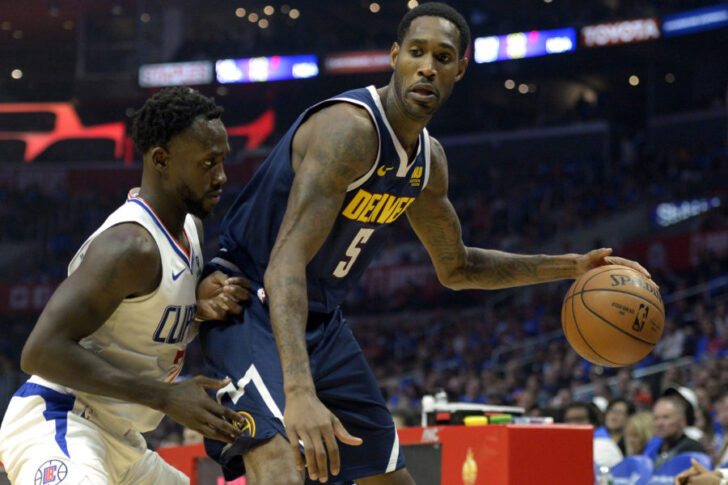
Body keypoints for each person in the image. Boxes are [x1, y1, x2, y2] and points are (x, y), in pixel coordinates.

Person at [199, 3, 651, 484]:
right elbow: (285, 264)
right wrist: (300, 390)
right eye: (416, 52)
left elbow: (458, 267)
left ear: (460, 68)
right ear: (394, 57)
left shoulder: (428, 164)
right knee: (280, 458)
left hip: (321, 320)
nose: (427, 67)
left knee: (391, 479)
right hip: (249, 300)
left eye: (442, 56)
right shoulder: (350, 130)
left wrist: (573, 266)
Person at [0, 87, 250, 485]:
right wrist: (167, 397)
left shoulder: (190, 228)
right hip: (60, 420)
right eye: (208, 163)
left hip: (122, 439)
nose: (221, 176)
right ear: (162, 160)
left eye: (222, 161)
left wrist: (198, 303)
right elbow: (40, 351)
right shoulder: (129, 246)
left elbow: (148, 314)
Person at [645, 396, 707, 471]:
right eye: (656, 418)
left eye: (666, 417)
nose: (659, 424)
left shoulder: (693, 449)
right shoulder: (653, 446)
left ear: (681, 421)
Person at [563, 402, 623, 467]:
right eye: (568, 420)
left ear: (593, 423)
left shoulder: (604, 446)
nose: (573, 424)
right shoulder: (563, 447)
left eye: (579, 419)